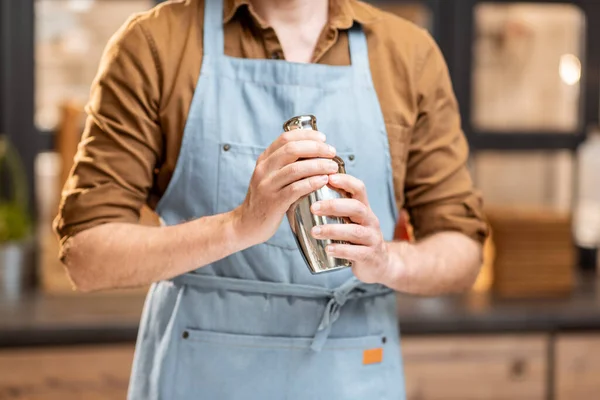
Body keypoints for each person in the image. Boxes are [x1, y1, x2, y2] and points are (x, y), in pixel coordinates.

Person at [54, 0, 488, 398]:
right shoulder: (155, 45)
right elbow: (88, 258)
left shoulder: (408, 56)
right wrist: (238, 226)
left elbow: (463, 252)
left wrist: (387, 262)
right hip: (199, 379)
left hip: (353, 378)